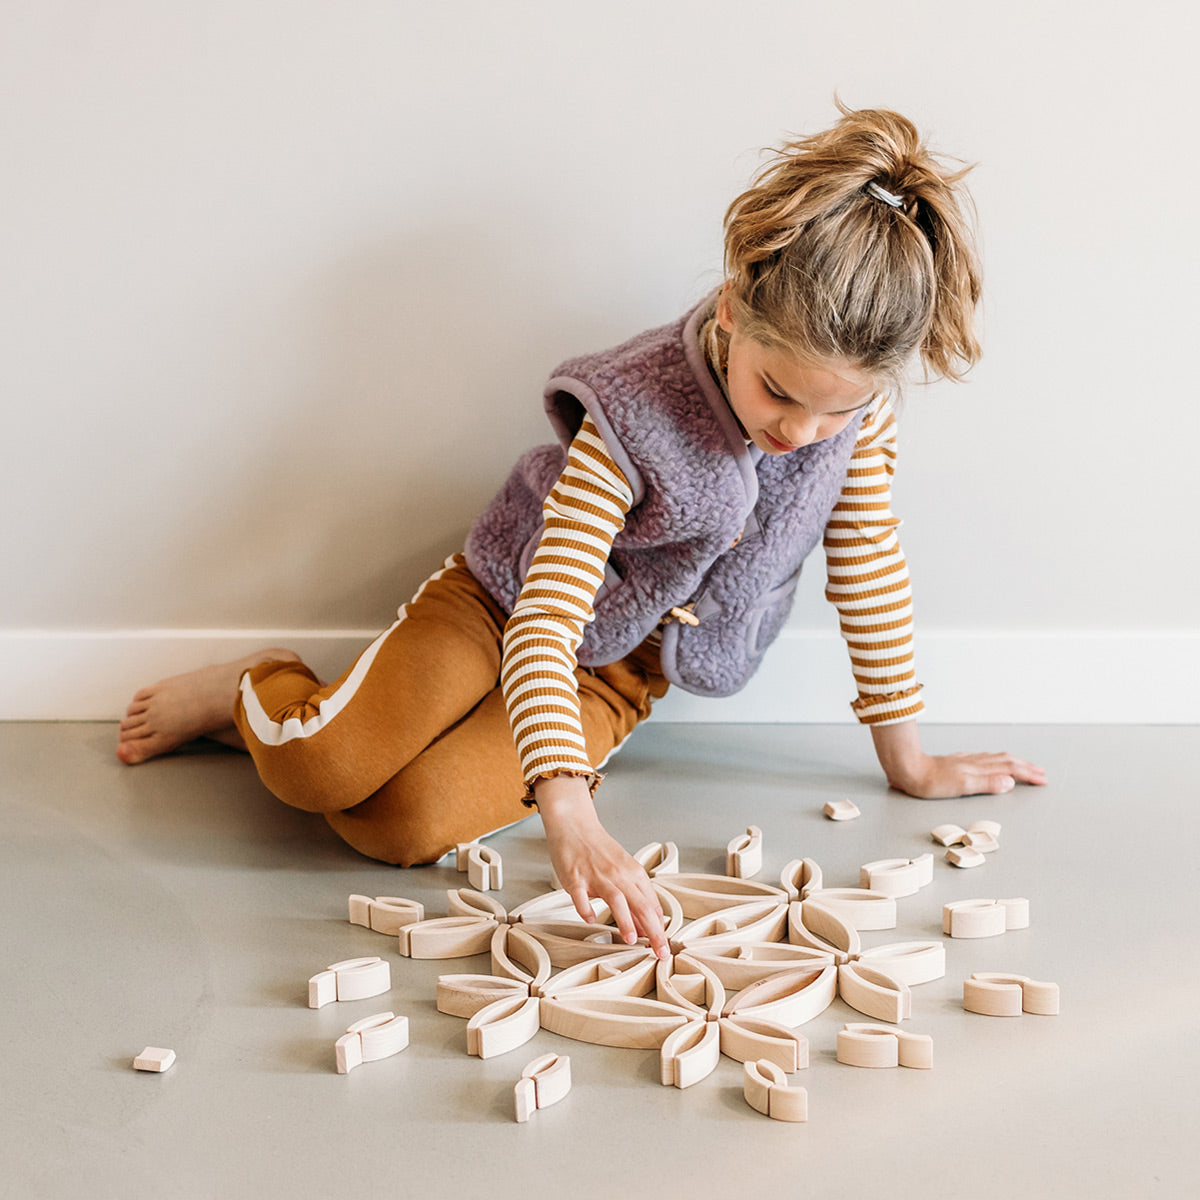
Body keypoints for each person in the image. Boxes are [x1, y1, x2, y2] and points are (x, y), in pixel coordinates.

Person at [117, 104, 1045, 959]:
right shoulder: (633, 406)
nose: (801, 432)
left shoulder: (853, 418)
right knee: (325, 766)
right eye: (779, 393)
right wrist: (566, 806)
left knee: (397, 828)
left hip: (618, 677)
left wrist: (909, 760)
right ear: (731, 311)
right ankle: (252, 689)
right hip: (502, 605)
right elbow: (547, 619)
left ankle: (359, 734)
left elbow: (869, 567)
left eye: (836, 412)